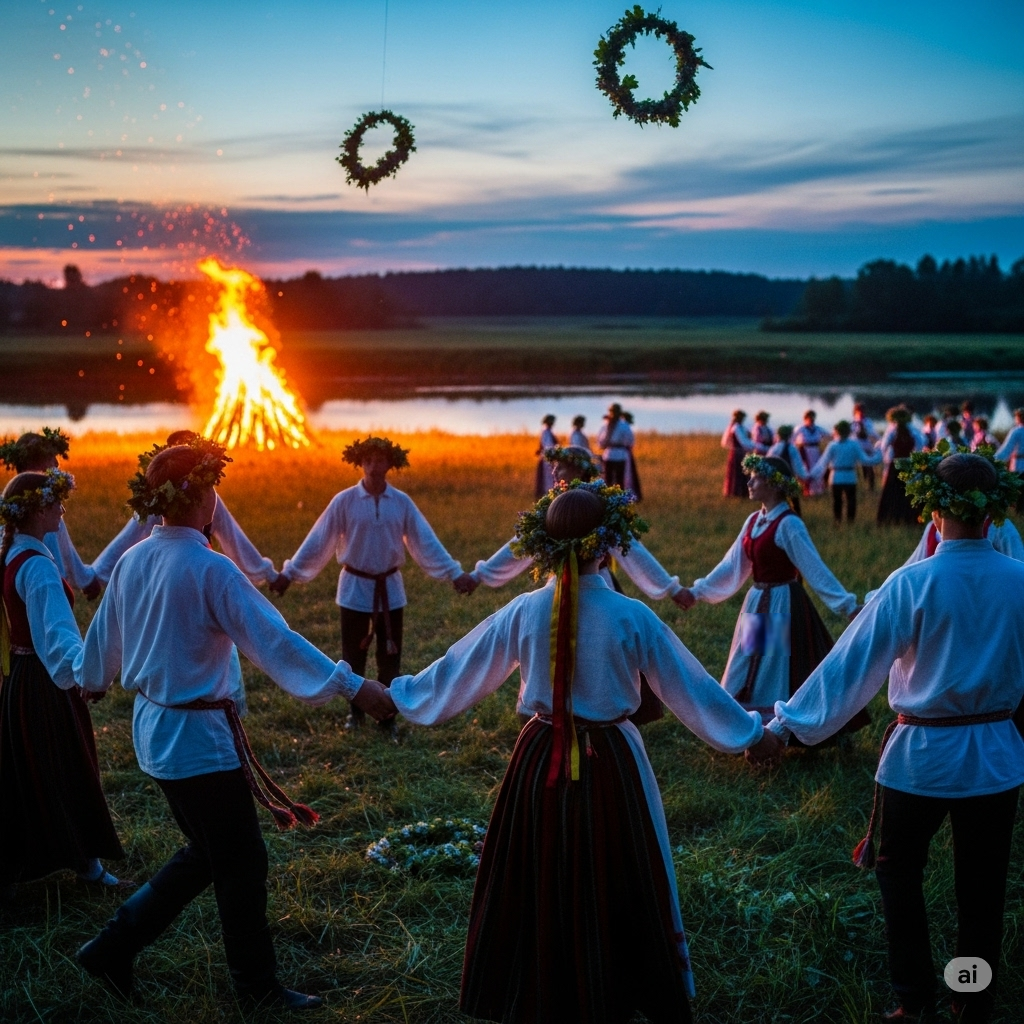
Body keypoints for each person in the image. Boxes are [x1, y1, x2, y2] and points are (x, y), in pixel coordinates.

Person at [383, 483, 782, 1024]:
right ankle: (611, 986)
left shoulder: (526, 609)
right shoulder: (628, 615)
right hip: (611, 761)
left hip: (539, 757)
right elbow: (691, 687)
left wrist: (397, 696)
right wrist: (752, 736)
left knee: (542, 866)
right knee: (618, 870)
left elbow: (458, 668)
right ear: (607, 546)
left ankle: (545, 986)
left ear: (545, 546)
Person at [74, 438, 394, 1009]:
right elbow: (275, 641)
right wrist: (356, 687)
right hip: (198, 745)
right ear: (203, 497)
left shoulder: (133, 560)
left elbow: (101, 646)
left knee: (209, 850)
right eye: (214, 490)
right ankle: (256, 986)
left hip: (156, 738)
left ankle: (113, 946)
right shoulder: (208, 568)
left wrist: (94, 678)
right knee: (241, 860)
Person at [765, 451, 1024, 1024]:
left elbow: (850, 665)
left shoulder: (911, 583)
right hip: (996, 762)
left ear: (934, 512)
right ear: (992, 515)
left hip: (923, 761)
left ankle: (916, 1000)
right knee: (980, 889)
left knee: (898, 873)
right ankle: (969, 999)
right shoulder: (1020, 581)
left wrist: (787, 726)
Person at [268, 436, 473, 735]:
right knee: (353, 658)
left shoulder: (401, 502)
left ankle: (387, 718)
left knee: (390, 659)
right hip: (354, 589)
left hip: (390, 589)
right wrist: (291, 573)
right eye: (369, 461)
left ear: (391, 464)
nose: (375, 467)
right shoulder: (344, 501)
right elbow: (318, 539)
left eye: (381, 461)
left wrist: (454, 573)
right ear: (360, 463)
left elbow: (424, 541)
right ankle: (357, 714)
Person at [465, 445, 681, 725]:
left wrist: (671, 588)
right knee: (556, 639)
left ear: (579, 469)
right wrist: (480, 574)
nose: (554, 471)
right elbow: (518, 546)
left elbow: (635, 552)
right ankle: (559, 703)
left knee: (599, 644)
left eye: (561, 466)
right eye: (553, 466)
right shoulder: (553, 505)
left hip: (598, 585)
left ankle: (598, 705)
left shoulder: (600, 506)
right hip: (560, 589)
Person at [675, 455, 867, 733]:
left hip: (780, 602)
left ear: (775, 485)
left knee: (769, 670)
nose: (749, 482)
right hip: (758, 601)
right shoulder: (755, 520)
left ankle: (768, 732)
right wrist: (697, 592)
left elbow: (814, 568)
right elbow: (732, 564)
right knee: (749, 663)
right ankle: (742, 727)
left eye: (756, 477)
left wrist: (847, 605)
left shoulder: (789, 524)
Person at [0, 469, 123, 899]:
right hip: (43, 682)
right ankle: (87, 867)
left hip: (18, 682)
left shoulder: (12, 552)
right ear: (36, 511)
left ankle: (28, 863)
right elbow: (57, 637)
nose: (62, 509)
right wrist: (83, 677)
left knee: (25, 770)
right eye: (55, 503)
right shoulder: (37, 569)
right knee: (68, 768)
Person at [0, 429, 101, 600]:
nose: (57, 463)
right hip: (46, 589)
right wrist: (86, 579)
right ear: (38, 463)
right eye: (51, 458)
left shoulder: (7, 506)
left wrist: (86, 578)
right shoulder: (44, 514)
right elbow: (64, 554)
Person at [810, 420, 882, 523]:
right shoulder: (854, 445)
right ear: (849, 432)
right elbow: (866, 460)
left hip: (835, 477)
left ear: (836, 431)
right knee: (851, 502)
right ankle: (850, 522)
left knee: (837, 502)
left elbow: (822, 463)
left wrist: (811, 475)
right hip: (850, 477)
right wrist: (878, 452)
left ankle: (837, 521)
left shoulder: (832, 445)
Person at [877, 405, 920, 526]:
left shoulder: (893, 431)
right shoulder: (912, 430)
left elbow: (884, 445)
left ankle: (891, 518)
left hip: (896, 464)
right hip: (906, 463)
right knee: (906, 492)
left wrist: (887, 457)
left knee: (893, 492)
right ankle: (908, 519)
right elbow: (921, 443)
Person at [766, 425, 807, 516]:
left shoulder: (773, 448)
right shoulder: (792, 448)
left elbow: (768, 463)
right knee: (794, 501)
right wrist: (804, 476)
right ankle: (797, 517)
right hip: (788, 477)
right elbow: (797, 465)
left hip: (775, 478)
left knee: (775, 501)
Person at [793, 410, 828, 496]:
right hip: (805, 450)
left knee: (817, 468)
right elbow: (792, 438)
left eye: (812, 417)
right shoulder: (800, 428)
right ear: (805, 418)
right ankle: (806, 490)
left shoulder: (818, 428)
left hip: (815, 450)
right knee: (806, 469)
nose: (811, 419)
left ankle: (817, 490)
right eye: (809, 417)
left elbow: (828, 435)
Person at [597, 403, 632, 488]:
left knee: (618, 480)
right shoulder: (607, 425)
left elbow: (629, 441)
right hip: (610, 455)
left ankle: (618, 498)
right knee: (609, 479)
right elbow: (629, 441)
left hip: (618, 455)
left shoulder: (623, 425)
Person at [720, 409, 754, 498]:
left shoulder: (740, 427)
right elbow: (743, 442)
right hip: (738, 453)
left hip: (739, 452)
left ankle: (740, 492)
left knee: (740, 472)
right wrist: (753, 447)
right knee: (739, 472)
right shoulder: (737, 428)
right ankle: (738, 493)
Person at [852, 403, 880, 490]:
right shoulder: (852, 423)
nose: (861, 413)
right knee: (855, 468)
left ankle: (870, 486)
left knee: (869, 466)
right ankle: (858, 485)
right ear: (855, 412)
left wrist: (880, 439)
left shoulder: (868, 422)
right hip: (856, 447)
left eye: (862, 411)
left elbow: (873, 433)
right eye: (859, 412)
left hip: (867, 447)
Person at [994, 407, 1024, 472]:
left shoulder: (1017, 431)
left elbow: (1006, 449)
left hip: (1019, 465)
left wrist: (993, 459)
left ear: (1018, 418)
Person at [621, 410, 643, 500]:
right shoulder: (626, 427)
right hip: (625, 452)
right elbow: (631, 442)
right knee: (628, 474)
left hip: (623, 452)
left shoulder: (620, 427)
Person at [535, 415, 558, 497]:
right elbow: (549, 446)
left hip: (548, 459)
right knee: (548, 480)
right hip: (547, 460)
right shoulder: (546, 432)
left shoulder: (547, 431)